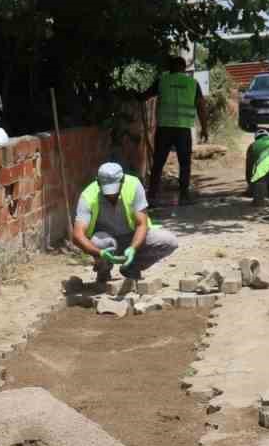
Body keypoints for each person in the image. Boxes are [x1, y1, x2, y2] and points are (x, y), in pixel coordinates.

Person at [70, 162, 180, 284]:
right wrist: (100, 253)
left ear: (122, 180)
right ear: (98, 182)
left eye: (115, 191)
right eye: (107, 191)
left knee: (169, 241)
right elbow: (77, 235)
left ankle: (131, 268)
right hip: (107, 241)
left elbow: (141, 224)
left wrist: (133, 248)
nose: (111, 196)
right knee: (98, 242)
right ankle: (103, 271)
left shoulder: (133, 185)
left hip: (132, 236)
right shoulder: (88, 196)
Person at [150, 56, 210, 204]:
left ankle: (152, 195)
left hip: (164, 128)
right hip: (183, 130)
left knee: (158, 162)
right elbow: (201, 107)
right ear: (184, 68)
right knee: (184, 163)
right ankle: (184, 195)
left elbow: (144, 95)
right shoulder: (192, 83)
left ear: (169, 68)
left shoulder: (162, 81)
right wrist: (204, 128)